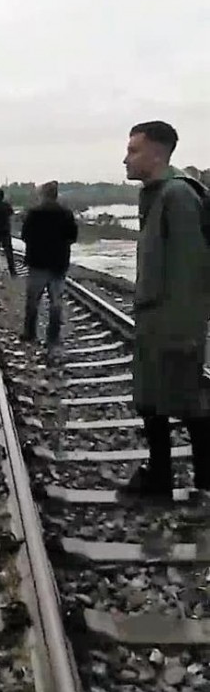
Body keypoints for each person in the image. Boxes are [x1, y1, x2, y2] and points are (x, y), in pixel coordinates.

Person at [120, 120, 210, 499]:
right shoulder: (156, 195)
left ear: (157, 153)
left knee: (188, 401)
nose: (125, 158)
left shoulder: (178, 196)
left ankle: (202, 481)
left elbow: (193, 267)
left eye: (133, 150)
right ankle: (161, 476)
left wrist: (185, 330)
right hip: (156, 318)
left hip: (173, 322)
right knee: (153, 400)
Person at [20, 181, 78, 345]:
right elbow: (72, 237)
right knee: (56, 302)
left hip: (37, 262)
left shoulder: (34, 213)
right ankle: (53, 336)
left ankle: (30, 333)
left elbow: (25, 236)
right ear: (56, 194)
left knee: (33, 301)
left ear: (43, 194)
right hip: (59, 263)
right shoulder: (66, 213)